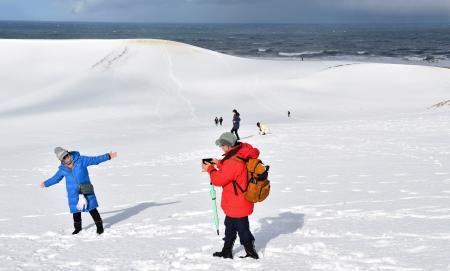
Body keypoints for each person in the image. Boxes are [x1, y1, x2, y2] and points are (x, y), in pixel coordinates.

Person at [202, 132, 259, 259]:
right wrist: (219, 163)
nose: (221, 148)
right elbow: (233, 170)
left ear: (228, 145)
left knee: (243, 230)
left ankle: (251, 252)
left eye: (222, 145)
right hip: (236, 201)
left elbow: (219, 180)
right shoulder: (238, 153)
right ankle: (226, 251)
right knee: (229, 228)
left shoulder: (234, 161)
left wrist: (210, 169)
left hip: (237, 202)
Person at [39, 147, 117, 235]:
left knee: (92, 208)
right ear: (60, 160)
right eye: (63, 157)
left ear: (69, 153)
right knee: (75, 211)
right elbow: (56, 178)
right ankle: (77, 228)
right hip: (73, 193)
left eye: (66, 155)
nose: (66, 158)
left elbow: (95, 160)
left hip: (86, 189)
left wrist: (108, 156)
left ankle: (99, 227)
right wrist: (46, 183)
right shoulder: (62, 169)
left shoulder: (81, 160)